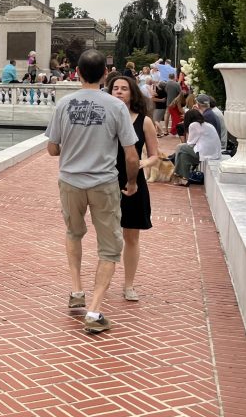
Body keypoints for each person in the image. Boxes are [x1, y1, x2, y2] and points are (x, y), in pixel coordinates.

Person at [45, 49, 138, 334]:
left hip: (71, 181)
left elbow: (52, 148)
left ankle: (76, 290)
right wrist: (132, 182)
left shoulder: (64, 105)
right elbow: (131, 156)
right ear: (105, 74)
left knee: (74, 233)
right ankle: (95, 310)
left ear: (78, 73)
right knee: (110, 247)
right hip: (103, 183)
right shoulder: (116, 106)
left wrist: (69, 147)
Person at [106, 73, 160, 302]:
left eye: (124, 88)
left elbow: (155, 155)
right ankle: (103, 282)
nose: (119, 91)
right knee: (107, 236)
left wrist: (142, 163)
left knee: (131, 237)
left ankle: (129, 285)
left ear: (132, 93)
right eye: (115, 88)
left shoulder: (143, 121)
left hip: (133, 182)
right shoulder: (104, 118)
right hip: (107, 180)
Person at [172, 108, 222, 186]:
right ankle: (184, 179)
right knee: (183, 155)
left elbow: (190, 143)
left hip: (206, 153)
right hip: (214, 153)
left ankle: (176, 175)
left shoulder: (194, 125)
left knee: (180, 147)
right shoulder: (207, 124)